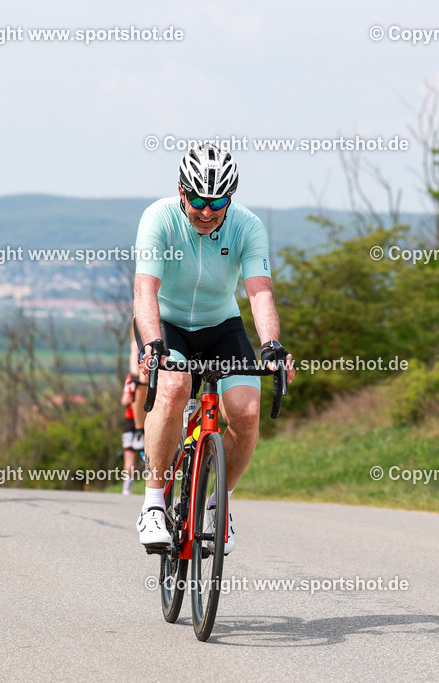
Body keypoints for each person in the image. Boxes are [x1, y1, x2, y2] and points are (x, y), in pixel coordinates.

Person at [133, 143, 295, 553]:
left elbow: (259, 292)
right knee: (172, 390)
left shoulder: (248, 226)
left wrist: (272, 345)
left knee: (246, 411)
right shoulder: (159, 218)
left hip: (221, 326)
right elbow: (144, 289)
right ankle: (153, 503)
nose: (207, 211)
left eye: (218, 200)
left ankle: (216, 504)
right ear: (183, 191)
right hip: (167, 324)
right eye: (200, 200)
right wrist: (153, 344)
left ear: (230, 197)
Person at [119, 372, 142, 495]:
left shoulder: (131, 378)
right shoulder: (155, 372)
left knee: (129, 456)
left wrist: (133, 392)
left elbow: (125, 401)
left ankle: (127, 487)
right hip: (146, 419)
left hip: (131, 420)